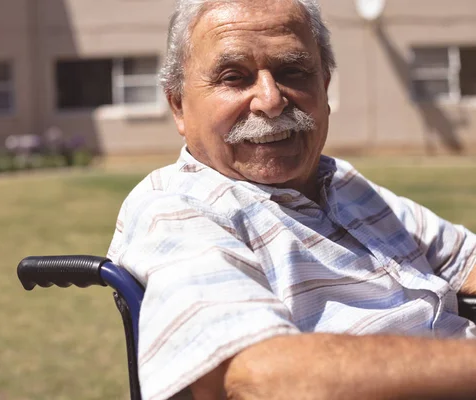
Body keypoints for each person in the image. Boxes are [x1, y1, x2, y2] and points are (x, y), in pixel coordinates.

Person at [107, 0, 476, 399]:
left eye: (293, 72)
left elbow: (466, 260)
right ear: (178, 104)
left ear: (325, 88)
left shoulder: (340, 182)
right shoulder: (176, 207)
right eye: (234, 77)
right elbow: (257, 376)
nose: (271, 99)